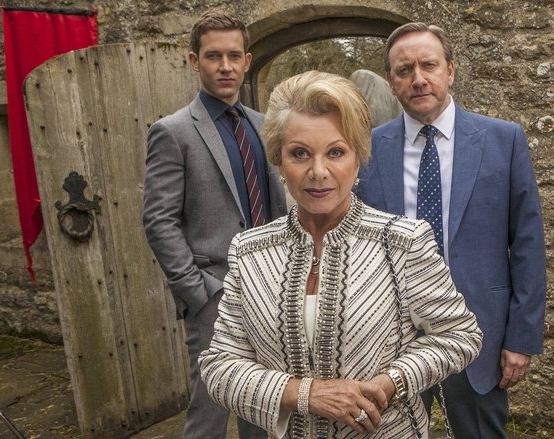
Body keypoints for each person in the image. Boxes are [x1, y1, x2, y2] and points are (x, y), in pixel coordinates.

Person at [198, 70, 482, 438]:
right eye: (300, 153)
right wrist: (304, 394)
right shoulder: (250, 251)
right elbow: (219, 366)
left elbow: (459, 336)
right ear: (279, 160)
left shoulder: (403, 243)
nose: (318, 172)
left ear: (358, 157)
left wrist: (391, 382)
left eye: (335, 152)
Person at [356, 22, 547, 438]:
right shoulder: (367, 149)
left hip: (478, 332)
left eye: (428, 65)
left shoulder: (503, 141)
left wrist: (521, 337)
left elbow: (528, 244)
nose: (418, 79)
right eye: (404, 70)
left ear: (451, 71)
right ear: (390, 81)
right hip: (391, 340)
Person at [142, 10, 287, 439]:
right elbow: (158, 220)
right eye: (213, 56)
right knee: (209, 412)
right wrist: (198, 292)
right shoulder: (173, 132)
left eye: (234, 56)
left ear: (247, 61)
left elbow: (278, 208)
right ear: (194, 61)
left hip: (271, 291)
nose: (225, 66)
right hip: (214, 294)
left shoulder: (264, 126)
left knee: (263, 406)